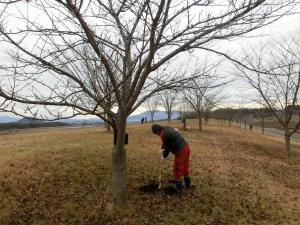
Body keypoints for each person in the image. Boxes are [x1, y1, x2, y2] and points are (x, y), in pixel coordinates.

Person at [151, 124, 191, 192]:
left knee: (177, 168)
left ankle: (178, 188)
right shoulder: (166, 128)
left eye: (156, 133)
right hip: (186, 147)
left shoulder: (163, 134)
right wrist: (162, 148)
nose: (157, 135)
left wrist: (164, 155)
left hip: (181, 150)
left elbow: (167, 148)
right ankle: (187, 185)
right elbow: (165, 142)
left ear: (157, 131)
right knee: (185, 167)